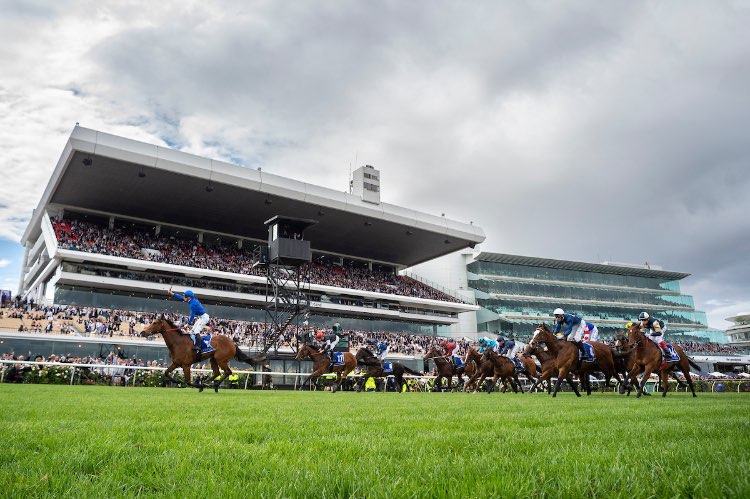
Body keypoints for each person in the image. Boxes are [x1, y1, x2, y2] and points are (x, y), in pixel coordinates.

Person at [168, 287, 209, 356]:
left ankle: (199, 347)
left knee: (196, 331)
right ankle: (193, 344)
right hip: (201, 317)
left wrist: (188, 324)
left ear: (189, 297)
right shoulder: (191, 299)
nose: (184, 297)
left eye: (185, 296)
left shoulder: (193, 304)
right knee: (192, 331)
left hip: (204, 318)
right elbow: (181, 298)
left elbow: (192, 315)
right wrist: (172, 294)